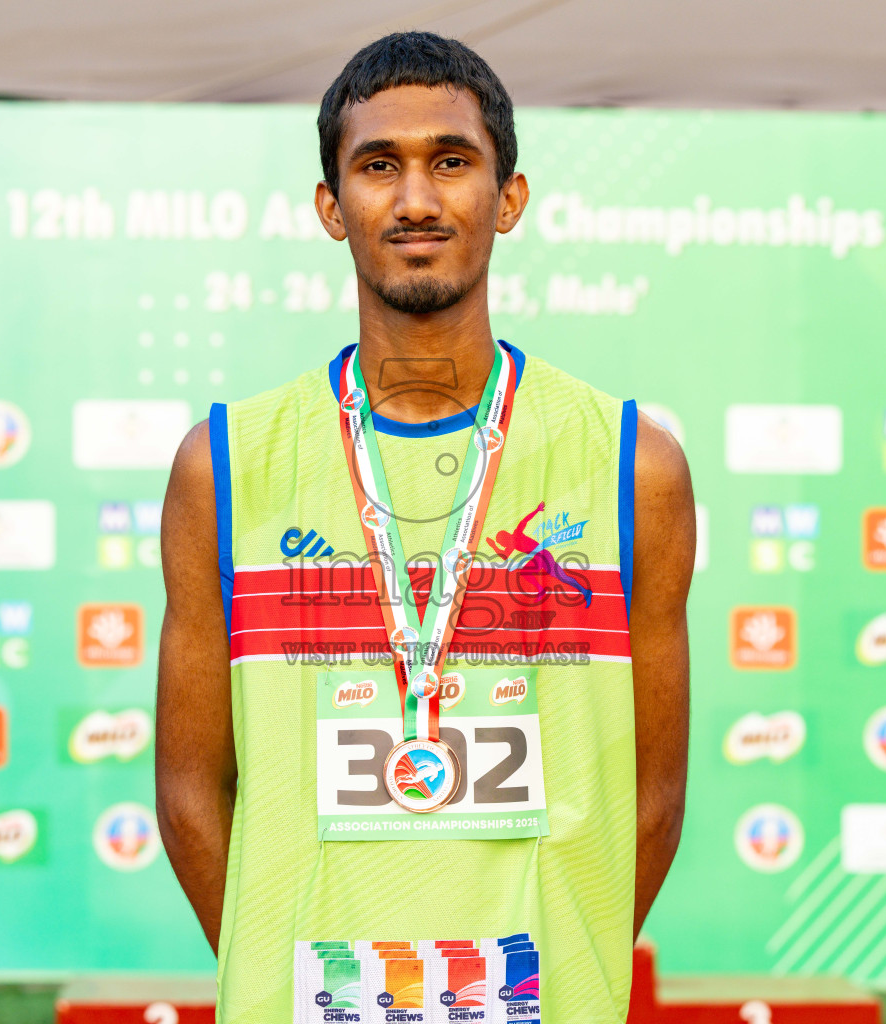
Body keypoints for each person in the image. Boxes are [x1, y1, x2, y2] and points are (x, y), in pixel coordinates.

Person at [156, 31, 695, 1024]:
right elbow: (190, 785)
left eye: (452, 161)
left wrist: (571, 974)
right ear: (331, 207)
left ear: (510, 197)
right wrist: (275, 973)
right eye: (376, 167)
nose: (415, 200)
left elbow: (653, 791)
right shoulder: (225, 466)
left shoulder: (633, 467)